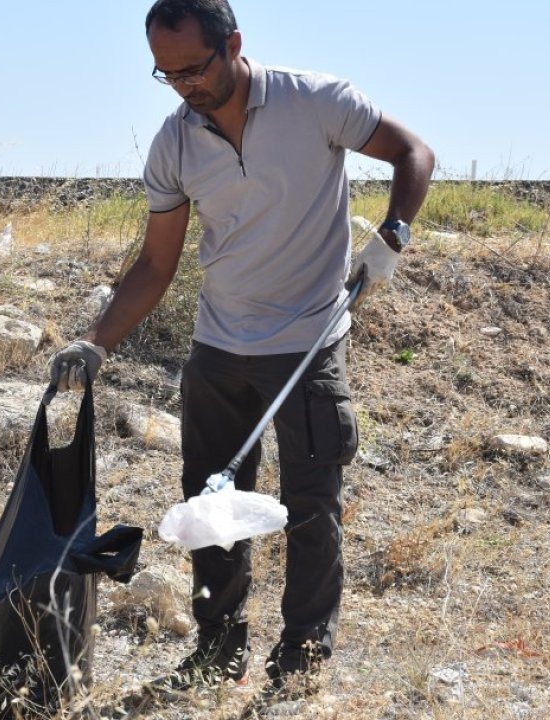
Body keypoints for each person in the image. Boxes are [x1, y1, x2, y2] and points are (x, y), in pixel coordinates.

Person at [49, 0, 434, 698]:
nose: (183, 86)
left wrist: (392, 236)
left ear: (233, 45)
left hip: (308, 341)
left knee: (311, 506)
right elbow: (155, 266)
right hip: (220, 348)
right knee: (211, 504)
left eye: (193, 68)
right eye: (166, 75)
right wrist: (95, 343)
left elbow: (415, 154)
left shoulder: (316, 102)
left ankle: (302, 659)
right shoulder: (175, 143)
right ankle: (219, 651)